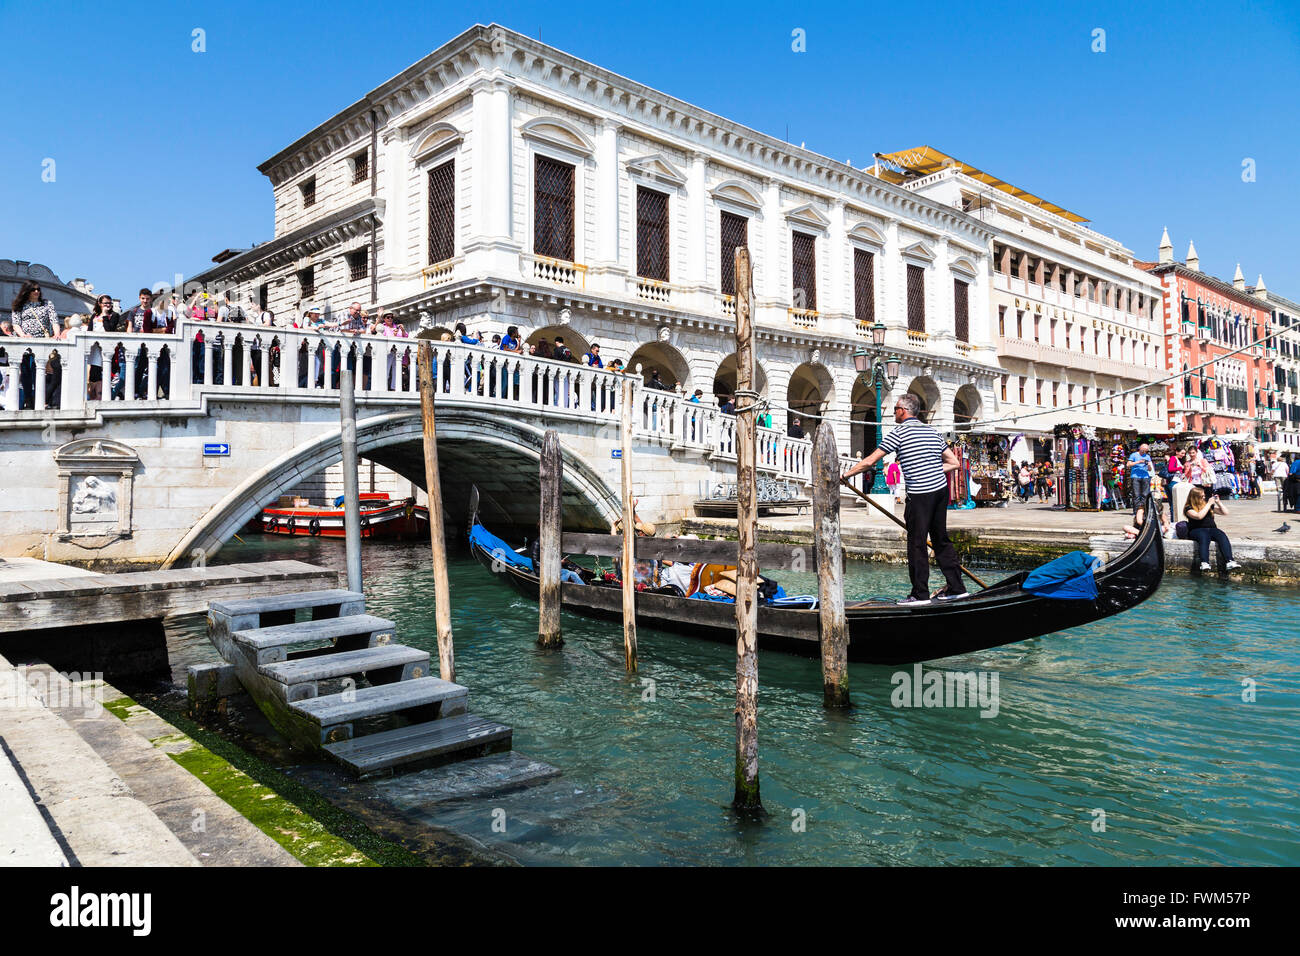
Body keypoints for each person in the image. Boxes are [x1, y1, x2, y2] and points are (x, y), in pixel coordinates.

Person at [844, 392, 966, 605]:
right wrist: (933, 469)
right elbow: (954, 462)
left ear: (903, 410)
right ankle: (957, 587)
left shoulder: (899, 433)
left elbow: (870, 461)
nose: (894, 414)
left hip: (920, 494)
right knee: (940, 539)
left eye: (895, 410)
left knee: (917, 543)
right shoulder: (932, 431)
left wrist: (845, 475)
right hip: (940, 490)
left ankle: (920, 595)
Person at [1183, 486, 1242, 572]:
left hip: (1211, 529)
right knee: (1204, 538)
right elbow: (1199, 516)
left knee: (1222, 536)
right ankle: (1204, 562)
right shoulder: (1188, 508)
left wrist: (1218, 502)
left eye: (1204, 496)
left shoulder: (1207, 505)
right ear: (1195, 497)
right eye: (1202, 496)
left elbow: (1225, 512)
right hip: (1197, 530)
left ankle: (1230, 561)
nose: (1204, 497)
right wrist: (1209, 504)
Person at [1127, 442, 1155, 510]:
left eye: (1146, 450)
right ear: (1140, 448)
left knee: (1145, 494)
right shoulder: (1133, 455)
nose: (1144, 451)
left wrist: (1149, 465)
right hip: (1135, 476)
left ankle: (1144, 509)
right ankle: (1136, 510)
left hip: (1145, 476)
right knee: (1136, 494)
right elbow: (1128, 464)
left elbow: (1150, 469)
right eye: (1143, 450)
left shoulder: (1147, 456)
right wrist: (1138, 462)